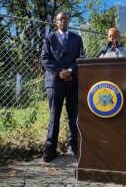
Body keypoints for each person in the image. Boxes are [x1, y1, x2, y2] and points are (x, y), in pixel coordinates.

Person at [41, 12, 84, 162]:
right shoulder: (49, 38)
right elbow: (44, 58)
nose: (63, 21)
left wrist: (70, 70)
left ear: (68, 21)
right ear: (56, 22)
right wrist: (60, 72)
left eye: (65, 18)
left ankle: (76, 147)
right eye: (60, 19)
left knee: (74, 115)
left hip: (72, 81)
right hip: (54, 82)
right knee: (54, 115)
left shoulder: (77, 38)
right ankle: (50, 150)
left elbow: (81, 57)